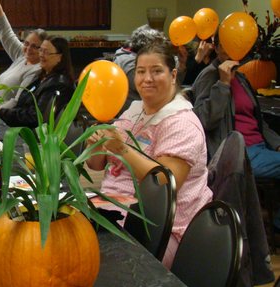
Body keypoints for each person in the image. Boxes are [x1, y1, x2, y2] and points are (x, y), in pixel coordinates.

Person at [85, 41, 212, 268]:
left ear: (173, 75)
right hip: (113, 210)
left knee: (95, 264)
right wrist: (95, 143)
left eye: (156, 71)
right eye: (141, 72)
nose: (147, 79)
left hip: (160, 228)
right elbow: (95, 165)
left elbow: (164, 183)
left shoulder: (182, 123)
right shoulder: (135, 112)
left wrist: (122, 148)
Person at [191, 35, 280, 230]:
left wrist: (276, 143)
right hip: (238, 152)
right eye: (225, 45)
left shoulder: (241, 76)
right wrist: (223, 84)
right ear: (216, 47)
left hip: (260, 147)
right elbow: (204, 119)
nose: (231, 49)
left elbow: (258, 120)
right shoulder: (210, 75)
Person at [0, 0, 46, 108]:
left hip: (7, 120)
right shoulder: (22, 56)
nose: (28, 48)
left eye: (34, 46)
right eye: (26, 43)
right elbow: (6, 33)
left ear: (43, 50)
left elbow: (17, 102)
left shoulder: (36, 71)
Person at [0, 36, 75, 128]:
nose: (41, 55)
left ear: (60, 57)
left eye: (46, 52)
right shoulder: (42, 76)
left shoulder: (59, 84)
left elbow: (36, 117)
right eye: (41, 50)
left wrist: (2, 112)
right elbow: (23, 102)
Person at [113, 24, 166, 114]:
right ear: (147, 46)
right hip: (134, 116)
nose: (161, 50)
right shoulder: (128, 63)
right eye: (158, 46)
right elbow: (151, 89)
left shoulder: (129, 56)